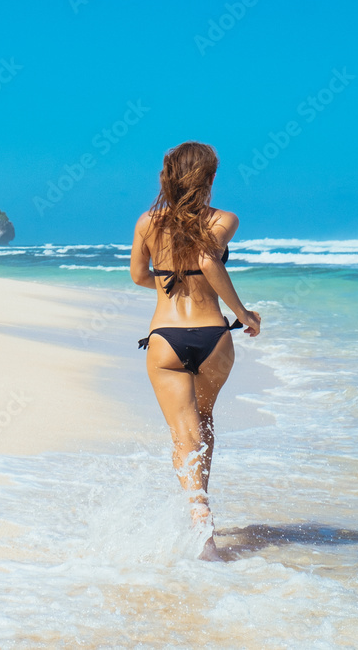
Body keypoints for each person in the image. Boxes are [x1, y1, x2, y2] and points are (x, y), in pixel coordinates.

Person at [129, 141, 261, 561]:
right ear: (210, 178)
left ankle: (200, 521)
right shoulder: (225, 219)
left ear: (167, 176)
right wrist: (244, 313)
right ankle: (201, 513)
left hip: (166, 336)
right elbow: (208, 259)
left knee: (183, 432)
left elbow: (137, 276)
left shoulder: (148, 223)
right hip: (214, 336)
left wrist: (170, 284)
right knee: (203, 423)